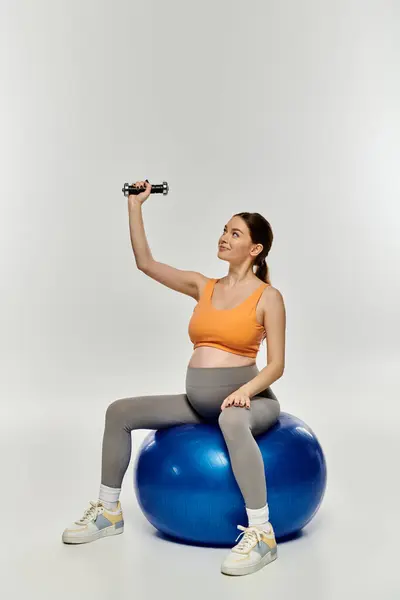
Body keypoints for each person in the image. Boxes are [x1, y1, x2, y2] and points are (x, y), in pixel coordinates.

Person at [62, 180, 286, 577]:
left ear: (255, 249)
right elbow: (146, 263)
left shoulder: (268, 297)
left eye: (235, 233)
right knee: (119, 412)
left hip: (250, 402)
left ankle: (262, 534)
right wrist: (136, 205)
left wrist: (243, 392)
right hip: (198, 401)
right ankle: (108, 512)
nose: (224, 237)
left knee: (231, 420)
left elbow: (276, 366)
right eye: (224, 229)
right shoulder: (204, 286)